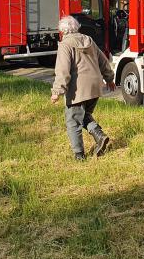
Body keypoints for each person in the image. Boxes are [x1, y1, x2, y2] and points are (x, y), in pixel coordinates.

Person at [50, 16, 116, 161]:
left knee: (73, 120)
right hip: (95, 86)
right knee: (83, 115)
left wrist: (57, 91)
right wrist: (110, 78)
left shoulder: (65, 45)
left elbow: (62, 70)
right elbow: (103, 61)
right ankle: (99, 135)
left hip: (78, 89)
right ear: (77, 26)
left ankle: (79, 156)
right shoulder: (89, 40)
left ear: (62, 31)